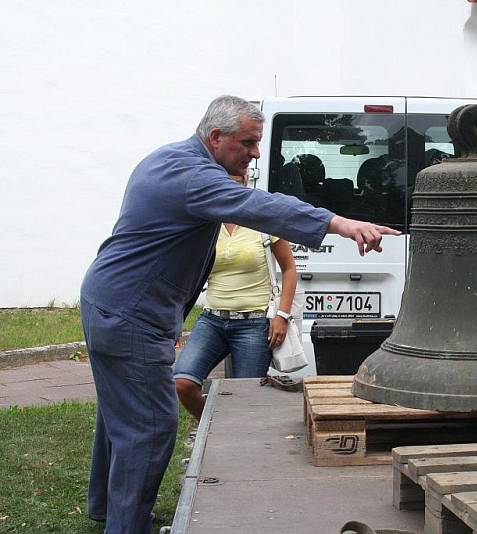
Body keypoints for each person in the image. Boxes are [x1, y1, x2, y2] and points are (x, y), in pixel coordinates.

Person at [80, 95, 399, 533]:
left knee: (120, 414)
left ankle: (106, 507)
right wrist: (339, 223)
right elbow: (260, 207)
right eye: (248, 142)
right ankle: (126, 526)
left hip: (111, 302)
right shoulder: (193, 176)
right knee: (150, 427)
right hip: (130, 315)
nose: (254, 152)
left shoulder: (170, 158)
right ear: (216, 137)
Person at [174, 174, 296, 420]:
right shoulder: (207, 223)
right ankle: (213, 426)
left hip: (254, 323)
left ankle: (240, 442)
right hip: (212, 319)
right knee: (183, 383)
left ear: (245, 181)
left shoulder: (262, 218)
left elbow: (290, 268)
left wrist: (282, 315)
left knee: (246, 398)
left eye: (235, 180)